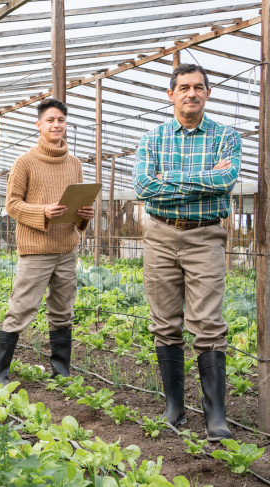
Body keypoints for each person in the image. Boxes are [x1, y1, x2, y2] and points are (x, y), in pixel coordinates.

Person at [133, 64, 239, 441]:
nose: (191, 93)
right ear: (171, 95)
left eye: (198, 87)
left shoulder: (225, 136)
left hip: (205, 236)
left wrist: (170, 182)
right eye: (183, 88)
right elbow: (144, 187)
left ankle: (216, 417)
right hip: (159, 236)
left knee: (209, 324)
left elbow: (226, 180)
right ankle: (174, 407)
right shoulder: (153, 138)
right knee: (164, 323)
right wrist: (203, 181)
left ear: (207, 93)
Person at [0, 98, 93, 385]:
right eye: (50, 120)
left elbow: (78, 206)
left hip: (66, 249)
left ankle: (61, 371)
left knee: (63, 310)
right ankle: (1, 375)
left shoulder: (74, 164)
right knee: (22, 308)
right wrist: (43, 212)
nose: (56, 125)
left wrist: (84, 215)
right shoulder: (25, 162)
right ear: (39, 124)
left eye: (61, 120)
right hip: (36, 250)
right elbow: (12, 205)